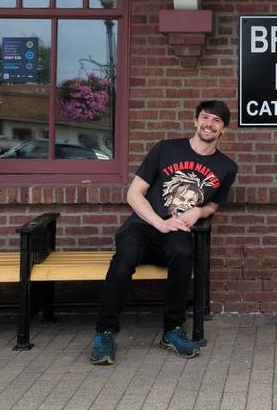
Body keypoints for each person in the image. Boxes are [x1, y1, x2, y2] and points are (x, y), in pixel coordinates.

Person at [90, 100, 237, 363]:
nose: (209, 124)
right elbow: (133, 194)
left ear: (223, 129)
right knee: (125, 257)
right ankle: (105, 332)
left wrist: (198, 212)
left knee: (182, 254)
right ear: (195, 121)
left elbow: (213, 203)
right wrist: (160, 223)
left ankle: (172, 331)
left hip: (176, 231)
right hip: (142, 226)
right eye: (205, 117)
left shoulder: (226, 167)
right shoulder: (166, 149)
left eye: (216, 121)